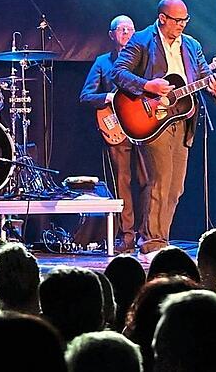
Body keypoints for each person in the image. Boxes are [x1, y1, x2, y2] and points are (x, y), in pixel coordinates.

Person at [111, 0, 216, 259]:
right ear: (162, 18)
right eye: (177, 20)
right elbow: (118, 72)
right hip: (153, 118)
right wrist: (147, 85)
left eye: (185, 20)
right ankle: (152, 243)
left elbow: (205, 76)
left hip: (182, 119)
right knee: (160, 180)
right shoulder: (141, 40)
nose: (182, 25)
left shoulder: (192, 45)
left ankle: (158, 237)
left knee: (176, 186)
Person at [80, 15, 150, 253]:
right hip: (116, 128)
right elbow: (86, 95)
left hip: (142, 127)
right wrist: (107, 97)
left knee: (147, 180)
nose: (126, 33)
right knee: (122, 182)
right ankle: (126, 236)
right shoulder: (102, 62)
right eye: (121, 29)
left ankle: (147, 234)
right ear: (111, 35)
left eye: (130, 29)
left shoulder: (143, 59)